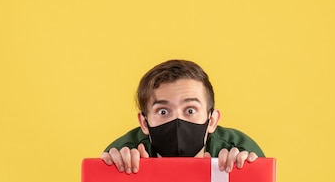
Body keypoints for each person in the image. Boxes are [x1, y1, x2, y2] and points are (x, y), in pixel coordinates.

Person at [101, 59, 264, 174]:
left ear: (212, 120)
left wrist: (245, 173)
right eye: (163, 111)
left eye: (190, 110)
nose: (177, 121)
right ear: (144, 123)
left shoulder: (238, 149)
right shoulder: (124, 153)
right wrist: (112, 174)